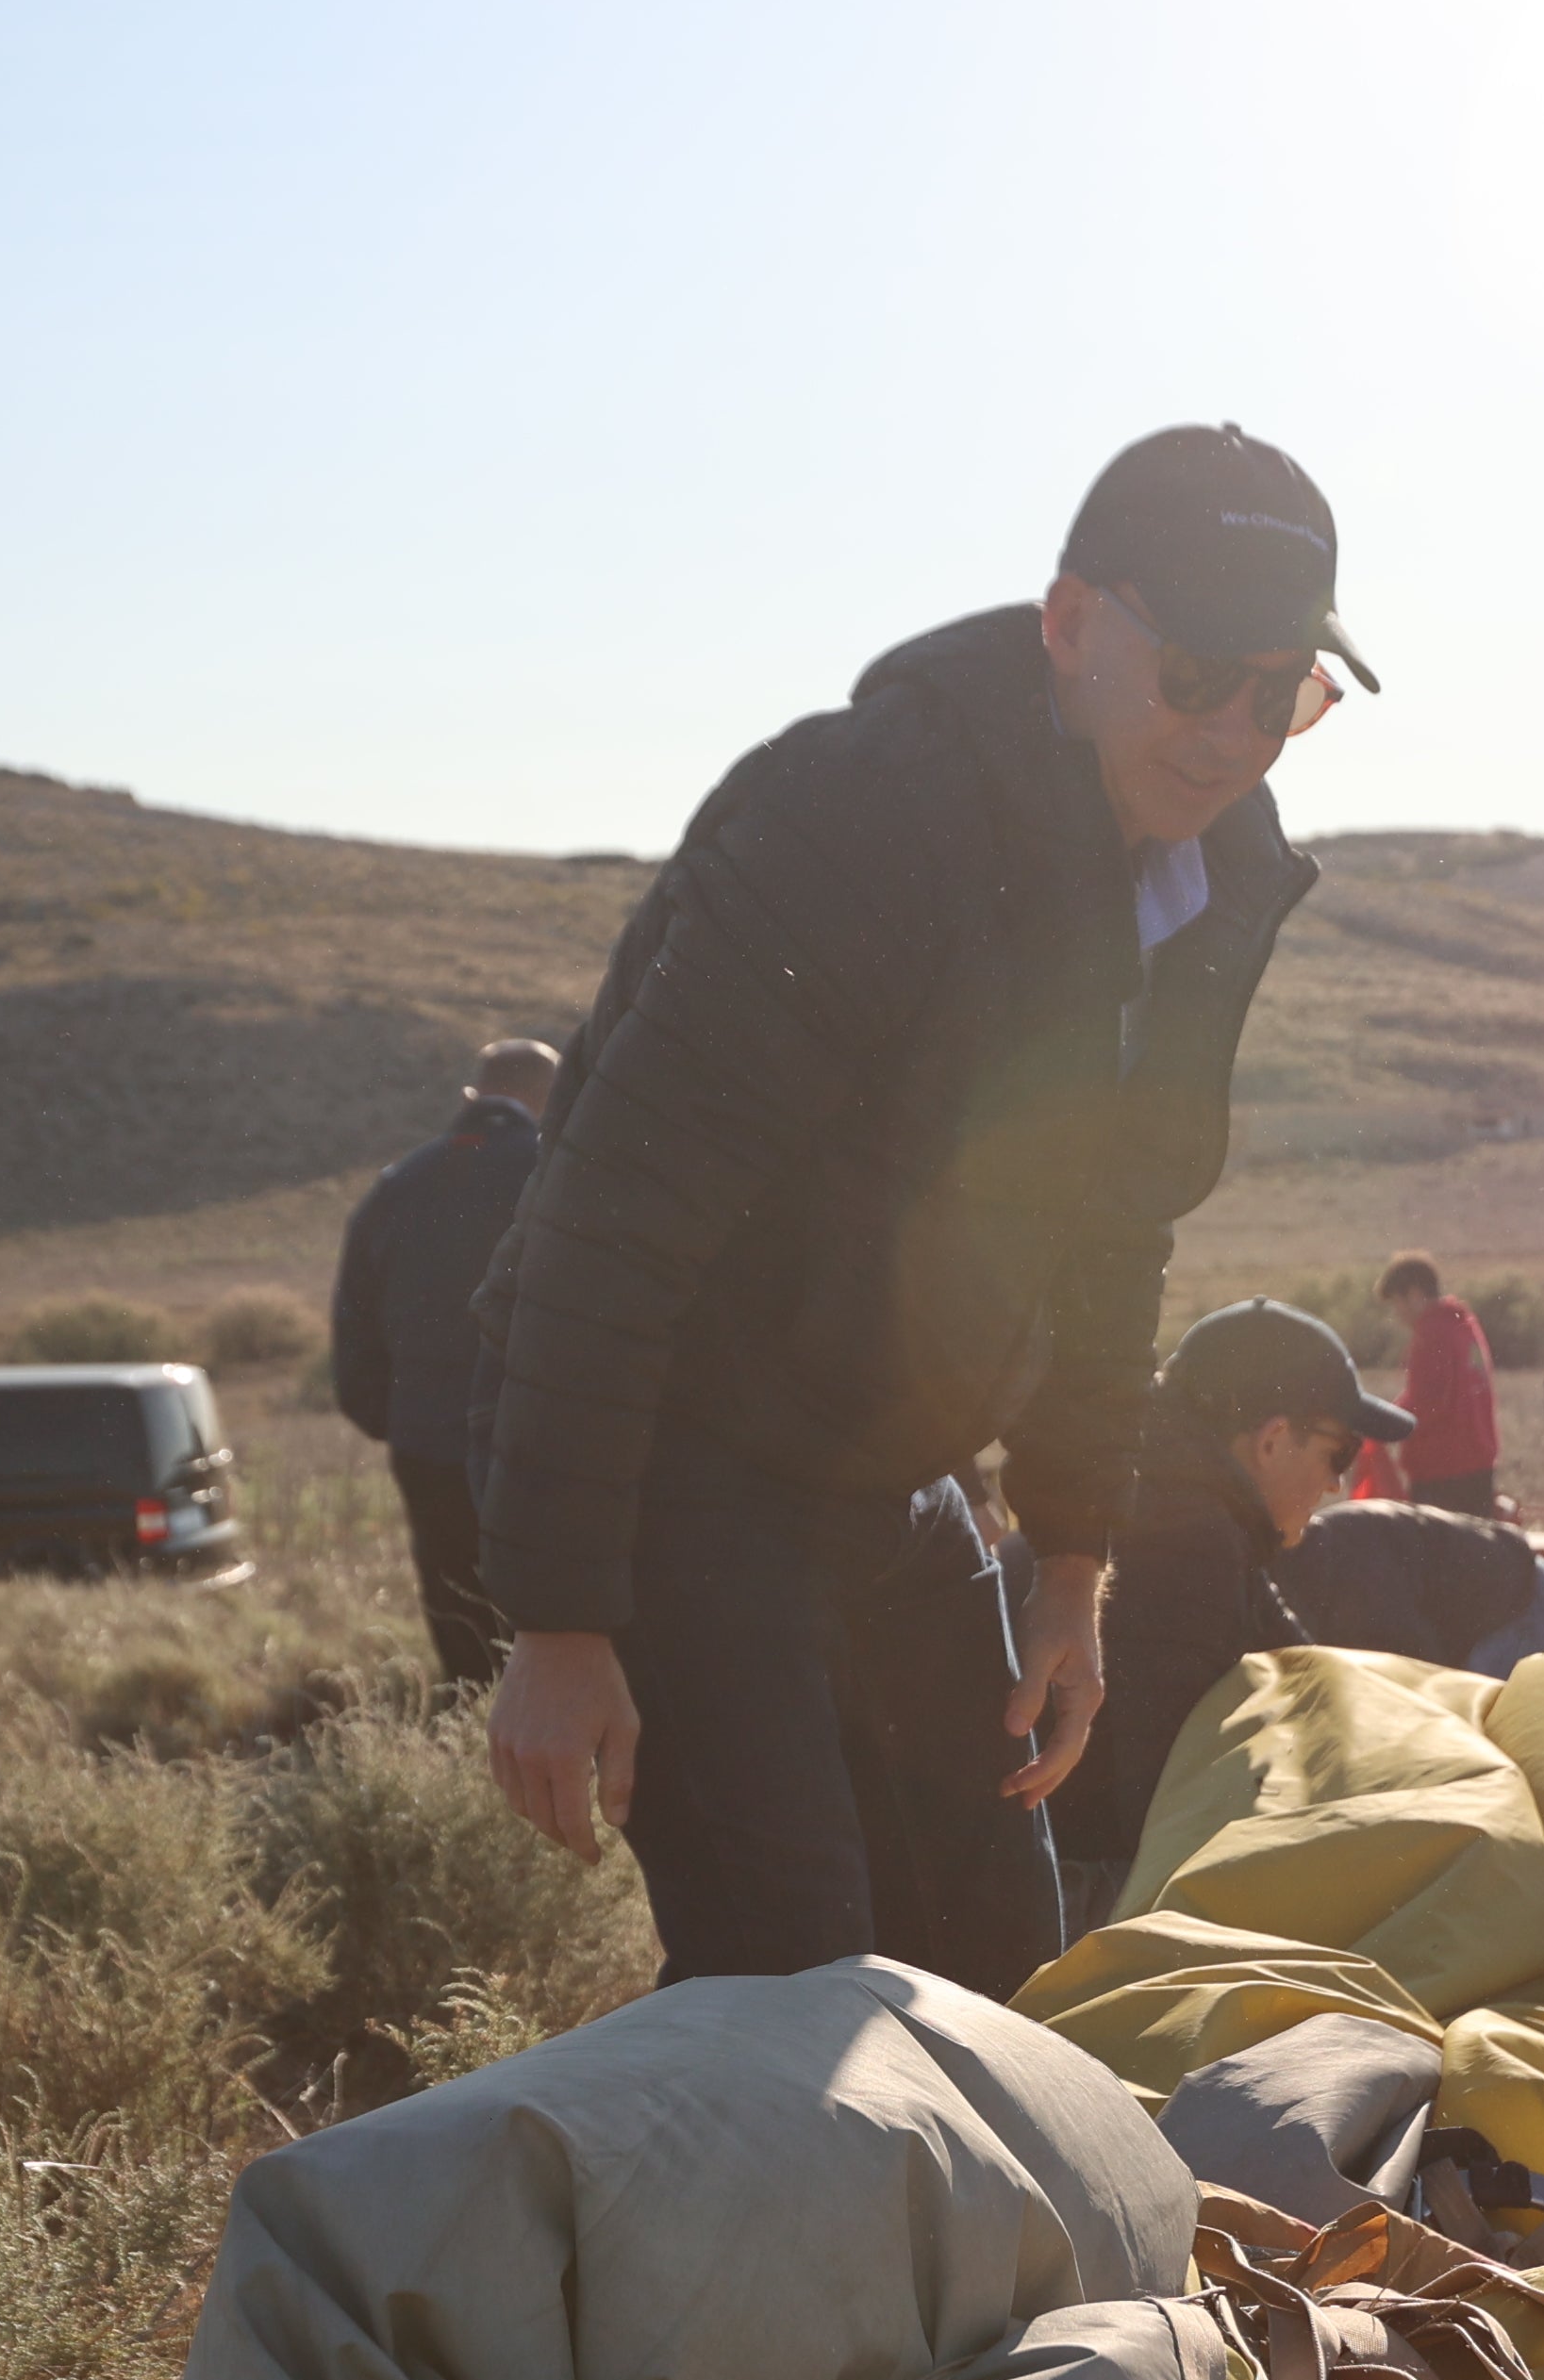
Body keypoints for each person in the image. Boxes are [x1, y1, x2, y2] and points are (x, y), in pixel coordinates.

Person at [470, 424, 1371, 1995]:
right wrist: (558, 1619)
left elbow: (1116, 1231)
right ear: (1074, 628)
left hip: (889, 1463)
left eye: (1281, 689)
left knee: (998, 1954)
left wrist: (1076, 1559)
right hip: (691, 1448)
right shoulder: (858, 821)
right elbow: (617, 1207)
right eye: (1197, 674)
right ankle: (768, 2233)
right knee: (803, 1974)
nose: (1230, 733)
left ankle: (991, 2245)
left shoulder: (1206, 878)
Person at [1047, 1299, 1410, 1923]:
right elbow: (1161, 1796)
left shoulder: (1181, 1498)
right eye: (1339, 1454)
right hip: (1070, 1886)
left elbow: (1299, 1666)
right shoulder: (1187, 1537)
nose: (1336, 1487)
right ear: (1271, 1442)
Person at [326, 1034, 557, 1683]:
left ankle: (471, 1747)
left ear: (472, 1096)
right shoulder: (556, 1168)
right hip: (542, 1442)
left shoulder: (400, 1183)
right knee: (555, 1614)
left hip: (427, 1441)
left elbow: (355, 1327)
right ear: (550, 1097)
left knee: (458, 1610)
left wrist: (398, 1417)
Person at [1277, 1497, 1544, 1680]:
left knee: (1463, 1730)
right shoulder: (1322, 1547)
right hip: (1509, 1580)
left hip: (1525, 1606)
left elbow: (1425, 1674)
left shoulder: (1357, 1583)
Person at [1358, 1255, 1502, 1515]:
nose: (1397, 1314)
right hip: (1478, 1463)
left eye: (1397, 1303)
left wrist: (1382, 1423)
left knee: (1435, 1553)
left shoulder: (1432, 1334)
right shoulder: (1463, 1324)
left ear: (1414, 1295)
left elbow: (1426, 1404)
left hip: (1442, 1471)